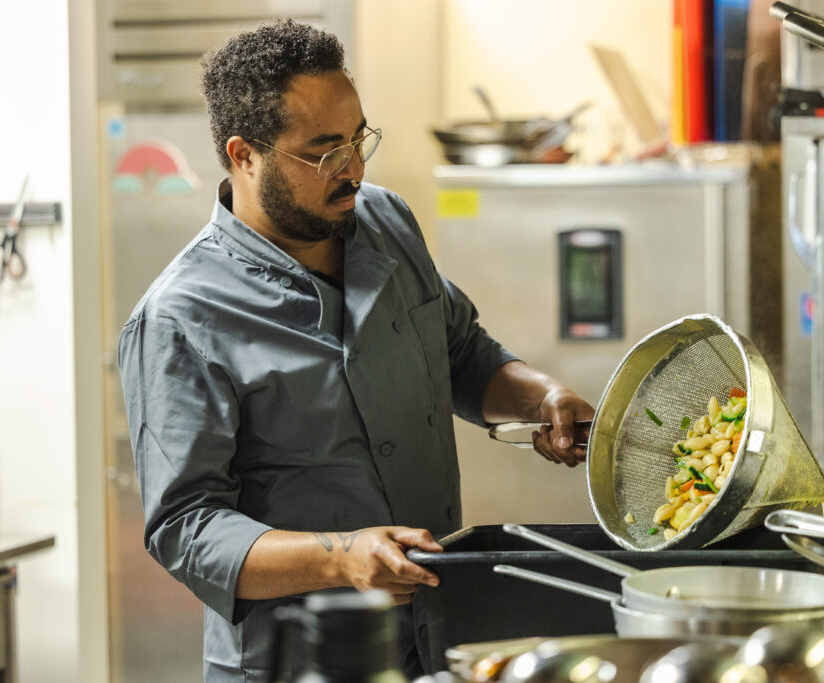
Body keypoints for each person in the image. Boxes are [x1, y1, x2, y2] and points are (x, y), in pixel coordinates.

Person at [117, 19, 594, 683]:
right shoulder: (181, 317)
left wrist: (539, 395)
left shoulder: (387, 222)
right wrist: (341, 555)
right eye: (323, 152)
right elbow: (187, 529)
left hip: (435, 640)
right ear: (243, 155)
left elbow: (461, 352)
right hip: (299, 659)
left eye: (357, 138)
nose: (355, 168)